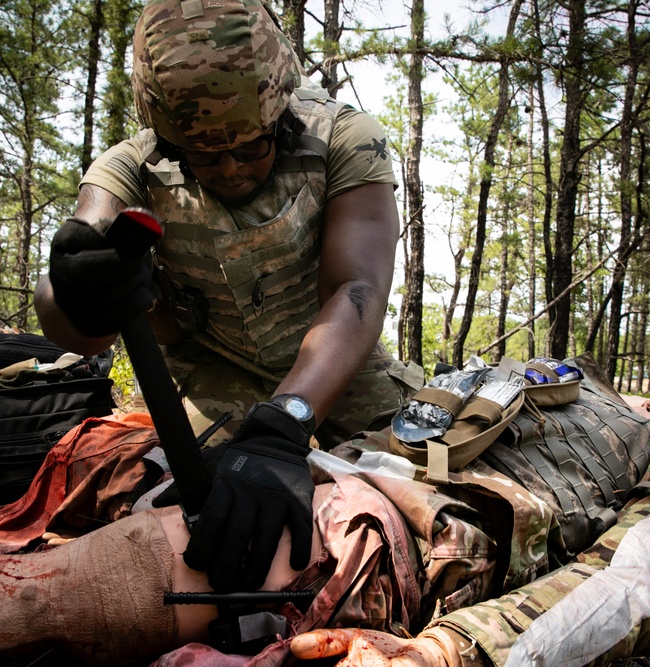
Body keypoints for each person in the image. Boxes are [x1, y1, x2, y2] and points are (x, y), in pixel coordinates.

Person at [0, 357, 650, 667]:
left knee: (245, 554)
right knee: (124, 456)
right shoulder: (518, 374)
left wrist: (452, 650)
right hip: (326, 467)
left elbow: (636, 578)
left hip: (399, 533)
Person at [33, 0, 420, 592]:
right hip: (212, 380)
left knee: (414, 485)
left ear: (279, 114)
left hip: (337, 365)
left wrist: (284, 423)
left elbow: (356, 288)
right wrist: (77, 285)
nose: (232, 169)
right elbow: (76, 308)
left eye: (251, 147)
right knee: (197, 509)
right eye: (205, 157)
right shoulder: (129, 169)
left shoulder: (345, 139)